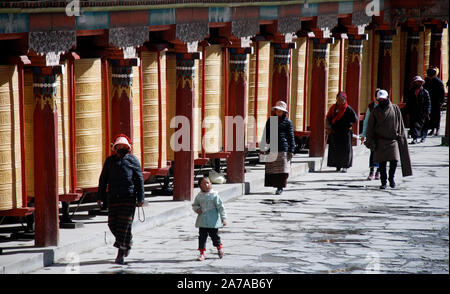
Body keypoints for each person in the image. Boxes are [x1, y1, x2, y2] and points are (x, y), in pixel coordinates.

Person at [98, 134, 145, 265]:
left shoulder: (133, 160)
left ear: (128, 147)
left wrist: (141, 197)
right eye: (119, 146)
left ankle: (120, 252)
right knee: (112, 224)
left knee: (124, 226)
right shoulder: (109, 161)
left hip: (129, 197)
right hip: (113, 197)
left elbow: (139, 179)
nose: (122, 148)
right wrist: (100, 197)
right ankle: (127, 240)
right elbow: (103, 180)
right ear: (115, 147)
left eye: (124, 146)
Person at [365, 89, 412, 189]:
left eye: (383, 99)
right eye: (379, 100)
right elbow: (370, 127)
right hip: (380, 140)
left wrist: (402, 137)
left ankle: (391, 178)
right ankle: (383, 181)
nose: (381, 101)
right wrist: (370, 141)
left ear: (387, 98)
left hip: (392, 140)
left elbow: (400, 124)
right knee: (382, 163)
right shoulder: (375, 111)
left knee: (394, 161)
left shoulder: (395, 108)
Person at [262, 100, 295, 195]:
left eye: (280, 111)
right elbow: (266, 134)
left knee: (283, 169)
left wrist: (291, 149)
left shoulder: (288, 122)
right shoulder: (270, 120)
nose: (278, 112)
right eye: (277, 110)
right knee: (273, 168)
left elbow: (291, 136)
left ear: (284, 112)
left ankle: (280, 187)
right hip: (272, 146)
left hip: (283, 147)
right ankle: (275, 185)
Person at [192, 176, 227, 261]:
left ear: (211, 184)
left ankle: (219, 248)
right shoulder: (199, 196)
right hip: (202, 221)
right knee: (202, 237)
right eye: (204, 183)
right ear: (200, 186)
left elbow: (220, 207)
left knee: (215, 237)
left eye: (208, 183)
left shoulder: (214, 195)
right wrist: (197, 209)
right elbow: (194, 205)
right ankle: (201, 253)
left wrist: (223, 217)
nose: (207, 185)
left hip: (213, 221)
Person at [326, 92, 358, 172]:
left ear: (345, 100)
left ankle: (345, 166)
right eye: (339, 99)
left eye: (342, 99)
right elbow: (328, 117)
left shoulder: (348, 108)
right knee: (336, 149)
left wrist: (348, 123)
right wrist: (328, 127)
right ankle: (337, 165)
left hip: (345, 133)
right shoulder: (333, 108)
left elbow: (355, 119)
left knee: (345, 150)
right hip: (335, 132)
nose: (340, 101)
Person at [360, 89, 380, 180]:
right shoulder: (371, 107)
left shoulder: (387, 106)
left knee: (381, 153)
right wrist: (363, 134)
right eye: (377, 97)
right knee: (373, 152)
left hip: (383, 134)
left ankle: (379, 171)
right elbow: (366, 120)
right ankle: (372, 171)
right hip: (373, 133)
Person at [405, 76, 431, 144]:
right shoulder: (411, 92)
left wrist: (427, 112)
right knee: (414, 125)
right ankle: (415, 138)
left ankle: (423, 137)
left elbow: (428, 103)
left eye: (418, 82)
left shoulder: (425, 92)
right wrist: (407, 112)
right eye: (416, 82)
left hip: (423, 111)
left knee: (423, 125)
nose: (417, 83)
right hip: (413, 111)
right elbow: (408, 102)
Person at [423, 67, 445, 136]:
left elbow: (442, 92)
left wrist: (442, 101)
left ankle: (437, 129)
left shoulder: (438, 82)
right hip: (429, 100)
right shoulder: (427, 81)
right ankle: (432, 129)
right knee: (431, 115)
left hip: (437, 101)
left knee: (437, 115)